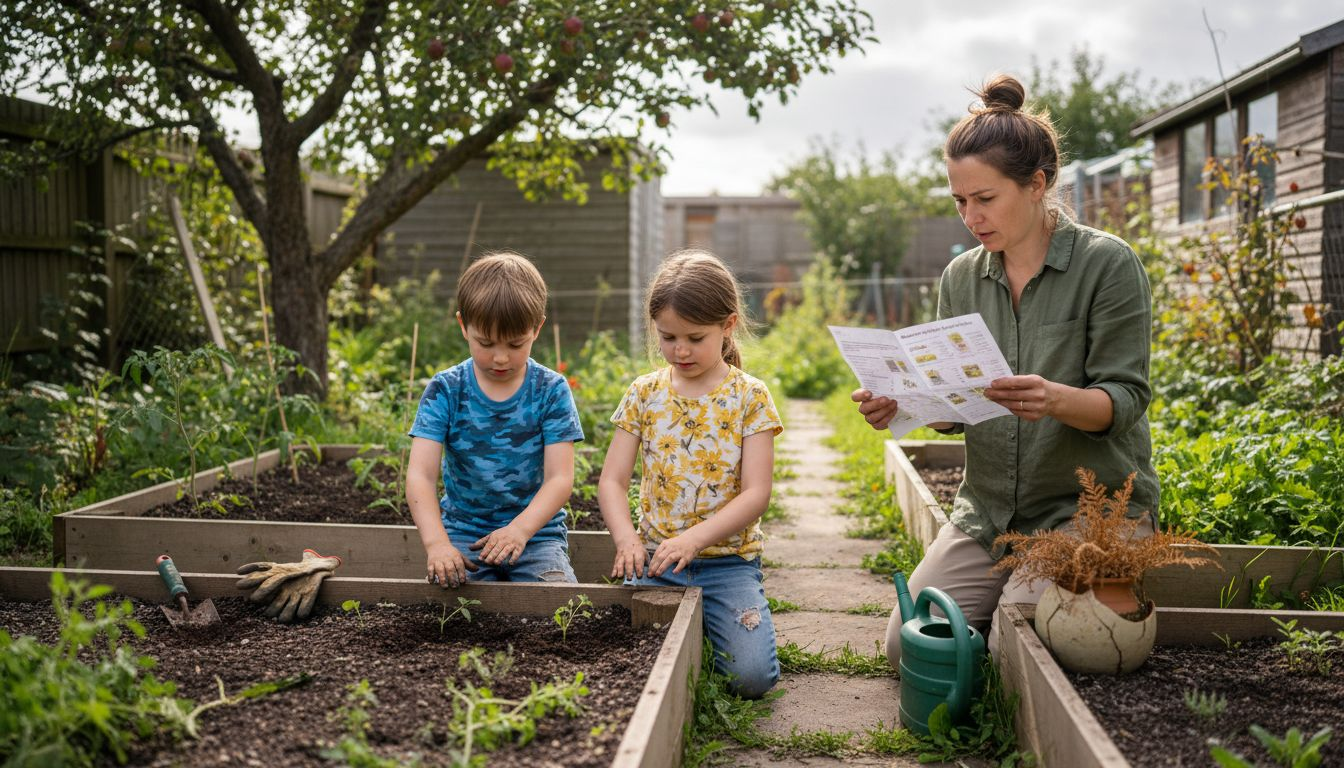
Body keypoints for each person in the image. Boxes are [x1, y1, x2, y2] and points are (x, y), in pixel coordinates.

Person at [853, 74, 1159, 666]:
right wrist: (908, 405)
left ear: (1037, 184)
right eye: (959, 201)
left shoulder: (1107, 265)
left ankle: (1064, 597)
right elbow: (955, 406)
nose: (970, 216)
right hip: (990, 512)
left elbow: (1124, 400)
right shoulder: (961, 277)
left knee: (1013, 647)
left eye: (985, 199)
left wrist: (1056, 399)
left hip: (1086, 512)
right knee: (906, 648)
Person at [599, 250, 783, 698]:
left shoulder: (749, 397)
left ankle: (722, 626)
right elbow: (611, 480)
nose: (680, 350)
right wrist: (627, 539)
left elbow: (756, 494)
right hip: (656, 561)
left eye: (694, 338)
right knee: (628, 670)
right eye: (668, 337)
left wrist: (694, 540)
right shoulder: (645, 393)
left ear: (728, 326)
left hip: (726, 564)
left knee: (751, 679)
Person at [406, 252, 584, 587]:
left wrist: (520, 530)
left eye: (516, 344)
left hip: (536, 538)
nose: (500, 357)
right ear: (463, 326)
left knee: (558, 604)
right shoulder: (447, 389)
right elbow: (420, 475)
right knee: (451, 612)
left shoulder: (551, 390)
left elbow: (560, 478)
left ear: (537, 329)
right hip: (464, 536)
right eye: (485, 343)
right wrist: (437, 545)